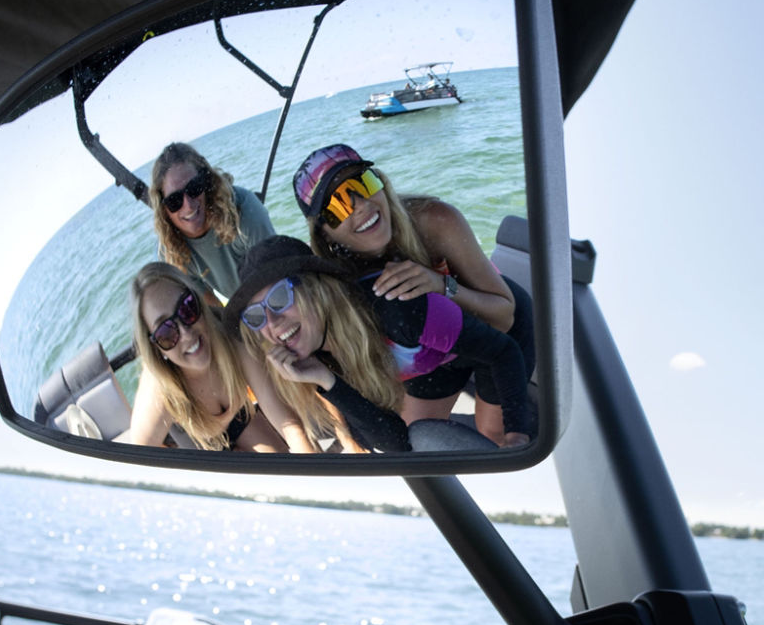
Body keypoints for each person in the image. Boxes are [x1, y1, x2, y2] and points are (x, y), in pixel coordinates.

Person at [294, 145, 536, 446]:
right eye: (338, 205)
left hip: (491, 328)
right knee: (415, 441)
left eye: (363, 183)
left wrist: (441, 285)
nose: (359, 205)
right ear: (324, 234)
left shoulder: (434, 221)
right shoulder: (334, 286)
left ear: (380, 181)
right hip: (429, 352)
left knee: (493, 434)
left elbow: (503, 314)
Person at [230, 237, 502, 454]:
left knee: (493, 435)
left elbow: (499, 348)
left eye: (280, 298)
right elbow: (394, 443)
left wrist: (510, 433)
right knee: (416, 437)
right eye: (255, 315)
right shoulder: (322, 353)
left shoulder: (393, 308)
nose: (272, 321)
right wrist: (326, 381)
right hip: (430, 363)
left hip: (493, 338)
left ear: (317, 289)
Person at [119, 263, 315, 453]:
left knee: (281, 464)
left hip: (237, 417)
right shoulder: (160, 391)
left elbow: (289, 427)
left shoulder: (231, 337)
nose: (187, 334)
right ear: (155, 347)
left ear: (199, 301)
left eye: (187, 308)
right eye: (166, 332)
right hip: (195, 443)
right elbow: (141, 462)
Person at [148, 142, 274, 299]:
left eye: (194, 187)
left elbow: (276, 278)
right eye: (174, 200)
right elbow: (210, 309)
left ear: (206, 181)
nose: (188, 205)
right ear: (163, 209)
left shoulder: (244, 210)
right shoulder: (168, 253)